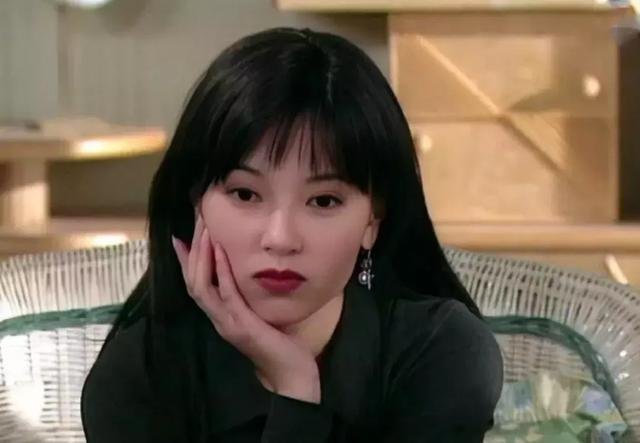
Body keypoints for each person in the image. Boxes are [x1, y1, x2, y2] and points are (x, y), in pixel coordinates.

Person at [80, 27, 503, 442]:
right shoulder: (138, 377)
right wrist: (296, 389)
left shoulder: (442, 352)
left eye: (323, 201)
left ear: (373, 220)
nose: (281, 239)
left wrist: (295, 386)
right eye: (245, 194)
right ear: (196, 205)